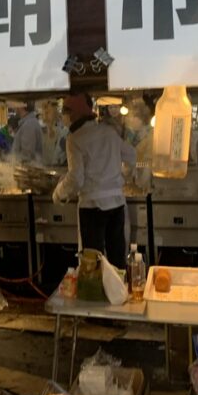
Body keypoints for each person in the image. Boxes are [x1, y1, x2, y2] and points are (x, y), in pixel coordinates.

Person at [53, 94, 136, 270]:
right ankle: (118, 294)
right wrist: (120, 175)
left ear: (75, 114)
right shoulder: (109, 132)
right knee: (116, 259)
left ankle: (98, 296)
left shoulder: (74, 139)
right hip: (116, 204)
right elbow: (132, 156)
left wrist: (59, 192)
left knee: (93, 264)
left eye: (66, 111)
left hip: (92, 207)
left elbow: (76, 177)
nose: (64, 116)